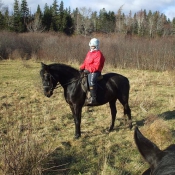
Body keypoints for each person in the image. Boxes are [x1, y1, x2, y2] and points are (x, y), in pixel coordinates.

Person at [80, 38, 105, 105]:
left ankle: (93, 98)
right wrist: (82, 67)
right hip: (88, 70)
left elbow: (96, 66)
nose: (92, 48)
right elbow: (86, 62)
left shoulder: (98, 54)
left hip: (95, 71)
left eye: (93, 46)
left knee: (92, 81)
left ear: (97, 46)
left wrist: (88, 70)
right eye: (91, 46)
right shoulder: (89, 53)